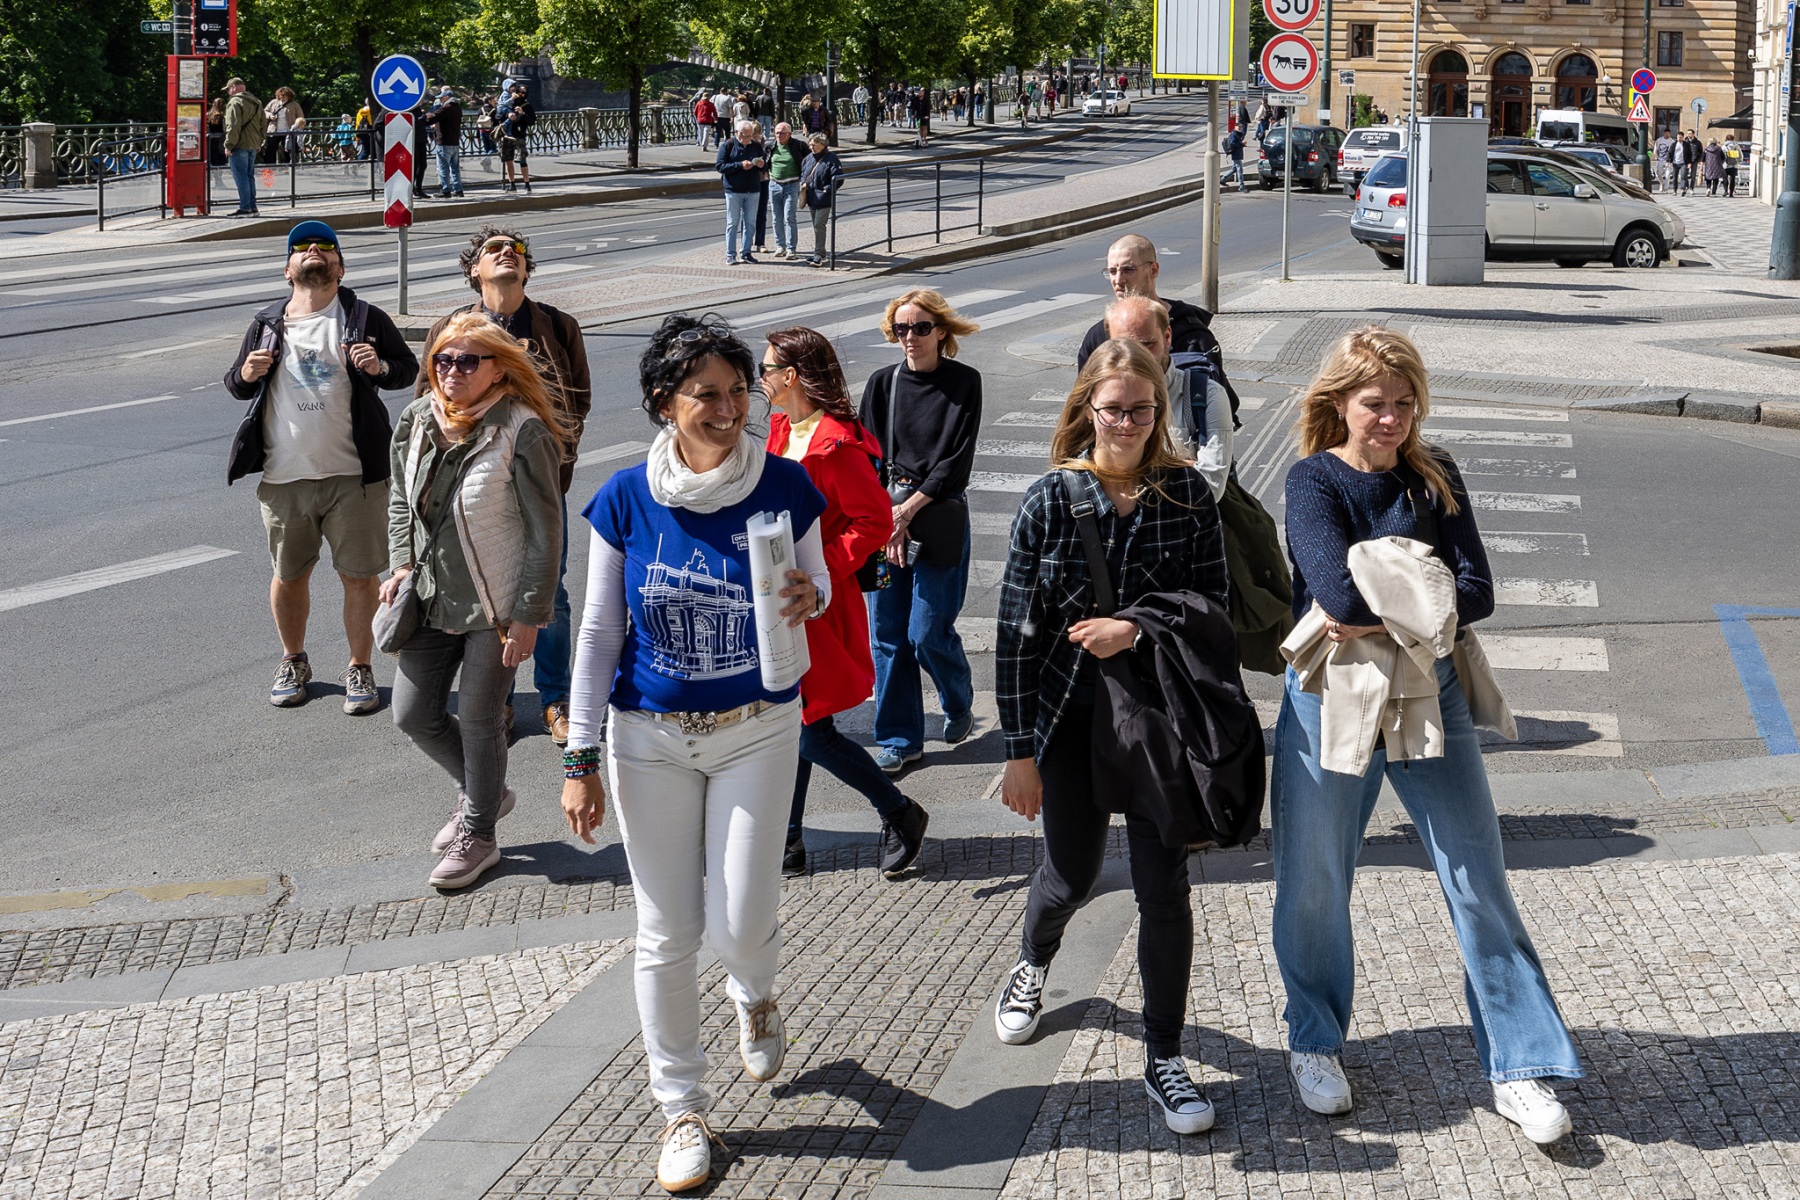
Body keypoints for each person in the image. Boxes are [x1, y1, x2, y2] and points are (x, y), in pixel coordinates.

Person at [1272, 326, 1581, 1143]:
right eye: (1376, 403)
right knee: (1314, 880)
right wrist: (1418, 579)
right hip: (1332, 694)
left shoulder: (1435, 473)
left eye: (1406, 404)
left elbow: (1478, 593)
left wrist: (1385, 588)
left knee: (1478, 874)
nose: (1393, 419)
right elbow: (1335, 593)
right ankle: (1314, 1042)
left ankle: (1519, 1066)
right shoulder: (1314, 480)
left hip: (1428, 687)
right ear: (1340, 402)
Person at [559, 315, 829, 1193]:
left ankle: (755, 992)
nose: (727, 408)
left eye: (737, 391)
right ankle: (682, 1108)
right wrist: (580, 758)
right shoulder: (625, 498)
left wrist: (812, 593)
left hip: (759, 727)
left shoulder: (783, 485)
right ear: (663, 402)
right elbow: (599, 634)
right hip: (649, 740)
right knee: (668, 931)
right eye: (705, 394)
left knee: (742, 920)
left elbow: (821, 585)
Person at [993, 339, 1229, 1136]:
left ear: (1160, 412)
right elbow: (1016, 634)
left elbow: (1216, 612)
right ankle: (1034, 961)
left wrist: (1136, 627)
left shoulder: (1187, 495)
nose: (1126, 424)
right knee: (1072, 875)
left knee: (1164, 889)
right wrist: (1017, 753)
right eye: (1113, 409)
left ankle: (1164, 1058)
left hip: (1159, 722)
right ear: (1086, 408)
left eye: (1141, 410)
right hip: (1068, 722)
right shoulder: (1050, 500)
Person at [385, 313, 569, 890]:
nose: (451, 371)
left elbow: (546, 535)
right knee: (412, 713)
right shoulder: (418, 418)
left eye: (467, 361)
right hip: (431, 597)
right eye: (443, 359)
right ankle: (481, 792)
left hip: (497, 605)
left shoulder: (523, 430)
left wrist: (530, 614)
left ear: (498, 370)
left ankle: (480, 835)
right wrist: (401, 564)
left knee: (480, 719)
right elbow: (399, 499)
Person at [223, 221, 420, 712]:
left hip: (354, 476)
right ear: (287, 269)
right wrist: (244, 374)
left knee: (360, 577)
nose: (314, 249)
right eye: (302, 247)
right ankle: (293, 659)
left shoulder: (365, 317)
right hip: (284, 476)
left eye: (326, 246)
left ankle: (360, 667)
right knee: (289, 575)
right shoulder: (267, 323)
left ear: (340, 268)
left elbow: (407, 370)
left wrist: (379, 368)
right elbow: (237, 384)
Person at [761, 327, 929, 878]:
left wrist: (823, 565)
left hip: (819, 601)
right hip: (785, 596)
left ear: (790, 377)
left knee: (808, 727)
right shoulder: (783, 428)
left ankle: (899, 811)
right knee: (794, 720)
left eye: (766, 370)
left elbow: (874, 520)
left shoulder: (835, 444)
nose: (760, 380)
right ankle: (788, 838)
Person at [415, 226, 592, 744]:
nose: (507, 253)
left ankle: (556, 698)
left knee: (551, 593)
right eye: (494, 249)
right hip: (475, 486)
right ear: (475, 270)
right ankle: (500, 702)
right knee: (489, 593)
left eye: (516, 249)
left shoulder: (557, 326)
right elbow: (428, 401)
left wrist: (554, 455)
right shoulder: (451, 328)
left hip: (540, 483)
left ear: (527, 268)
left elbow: (578, 400)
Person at [858, 290, 981, 774]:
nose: (910, 336)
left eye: (921, 327)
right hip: (885, 518)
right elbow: (867, 459)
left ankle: (958, 697)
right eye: (902, 328)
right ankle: (899, 737)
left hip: (937, 515)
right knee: (888, 634)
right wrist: (884, 518)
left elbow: (956, 461)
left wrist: (906, 512)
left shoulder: (964, 382)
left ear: (941, 331)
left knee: (927, 631)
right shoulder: (882, 383)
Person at [1104, 296, 1232, 500]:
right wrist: (1182, 466)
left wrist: (1127, 473)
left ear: (1167, 336)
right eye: (1124, 347)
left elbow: (1210, 487)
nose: (1139, 357)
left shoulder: (1207, 395)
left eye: (1148, 345)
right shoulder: (1098, 398)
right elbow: (1084, 473)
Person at [1076, 235, 1222, 371]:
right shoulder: (1097, 337)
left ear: (1153, 270)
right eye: (1112, 271)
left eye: (1128, 270)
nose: (1118, 280)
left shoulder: (1192, 337)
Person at [717, 120, 766, 265]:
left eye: (750, 136)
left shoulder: (755, 145)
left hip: (753, 189)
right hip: (733, 190)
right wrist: (739, 165)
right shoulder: (728, 145)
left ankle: (746, 252)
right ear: (737, 133)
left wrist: (761, 165)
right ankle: (730, 254)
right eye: (745, 136)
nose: (748, 139)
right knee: (733, 222)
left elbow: (764, 165)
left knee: (750, 223)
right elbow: (720, 166)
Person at [760, 121, 805, 260]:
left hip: (792, 184)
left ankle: (791, 249)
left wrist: (804, 179)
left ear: (789, 134)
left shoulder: (798, 145)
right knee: (776, 217)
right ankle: (781, 246)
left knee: (789, 217)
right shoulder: (770, 146)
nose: (779, 136)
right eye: (777, 133)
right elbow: (765, 163)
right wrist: (765, 172)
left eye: (782, 133)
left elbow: (807, 162)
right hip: (774, 185)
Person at [222, 78, 265, 216]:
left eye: (228, 89)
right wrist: (259, 141)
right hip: (253, 144)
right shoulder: (256, 101)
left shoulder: (235, 102)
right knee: (249, 176)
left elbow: (233, 126)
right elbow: (263, 124)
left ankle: (245, 208)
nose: (228, 92)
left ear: (234, 87)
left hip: (239, 144)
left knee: (241, 177)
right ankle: (253, 207)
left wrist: (229, 145)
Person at [800, 132, 843, 267]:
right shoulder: (808, 159)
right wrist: (803, 183)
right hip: (811, 197)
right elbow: (803, 173)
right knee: (816, 225)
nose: (811, 147)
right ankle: (821, 253)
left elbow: (838, 178)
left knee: (819, 224)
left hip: (823, 198)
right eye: (810, 144)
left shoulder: (832, 159)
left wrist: (827, 190)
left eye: (814, 145)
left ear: (823, 144)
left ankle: (818, 254)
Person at [423, 87, 464, 197]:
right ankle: (458, 190)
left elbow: (432, 118)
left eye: (441, 98)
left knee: (443, 167)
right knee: (455, 168)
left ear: (447, 97)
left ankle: (446, 190)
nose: (440, 100)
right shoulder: (458, 108)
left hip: (444, 141)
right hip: (455, 141)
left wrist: (425, 116)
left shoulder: (446, 107)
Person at [499, 83, 534, 192]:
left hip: (519, 136)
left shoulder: (527, 105)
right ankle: (512, 184)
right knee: (508, 160)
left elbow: (531, 121)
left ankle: (527, 184)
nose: (520, 94)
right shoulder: (509, 103)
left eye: (523, 93)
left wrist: (522, 113)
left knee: (522, 160)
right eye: (518, 91)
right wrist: (507, 114)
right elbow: (498, 114)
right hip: (507, 136)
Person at [1221, 125, 1247, 192]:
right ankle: (1241, 186)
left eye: (1240, 127)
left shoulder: (1238, 134)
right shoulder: (1234, 134)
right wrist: (1241, 143)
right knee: (1240, 170)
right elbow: (1232, 143)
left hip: (1237, 154)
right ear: (1235, 127)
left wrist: (1242, 144)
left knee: (1234, 169)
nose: (1240, 128)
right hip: (1236, 154)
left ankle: (1222, 179)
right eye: (1238, 127)